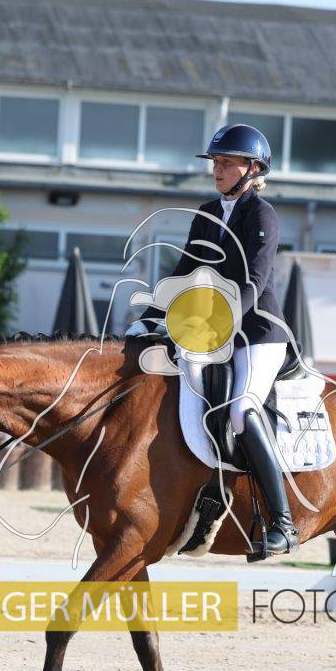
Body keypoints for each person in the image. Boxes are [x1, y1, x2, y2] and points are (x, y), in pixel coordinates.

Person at [126, 123, 297, 561]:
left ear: (252, 169)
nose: (217, 169)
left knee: (242, 410)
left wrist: (219, 320)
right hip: (213, 334)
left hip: (257, 334)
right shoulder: (206, 213)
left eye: (226, 163)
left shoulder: (262, 215)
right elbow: (184, 274)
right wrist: (149, 319)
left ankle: (283, 523)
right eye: (215, 162)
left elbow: (254, 281)